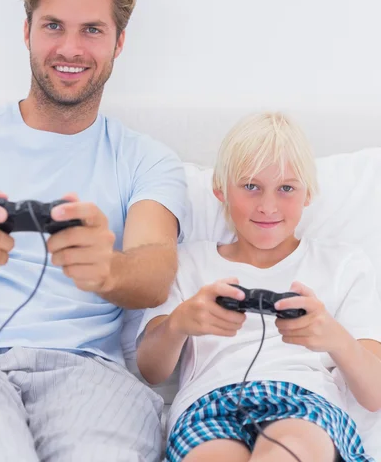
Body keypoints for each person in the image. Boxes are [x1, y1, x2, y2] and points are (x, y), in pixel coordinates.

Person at [0, 0, 187, 462]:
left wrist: (108, 270)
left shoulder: (147, 160)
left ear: (119, 43)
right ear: (27, 32)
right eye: (53, 26)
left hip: (87, 373)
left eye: (92, 30)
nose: (70, 48)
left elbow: (156, 271)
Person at [137, 112, 381, 462]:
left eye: (286, 188)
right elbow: (150, 370)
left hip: (303, 400)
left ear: (308, 193)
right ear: (220, 189)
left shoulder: (342, 264)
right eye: (250, 186)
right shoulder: (188, 261)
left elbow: (374, 396)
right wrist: (179, 323)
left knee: (290, 449)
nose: (268, 206)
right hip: (210, 404)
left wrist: (334, 338)